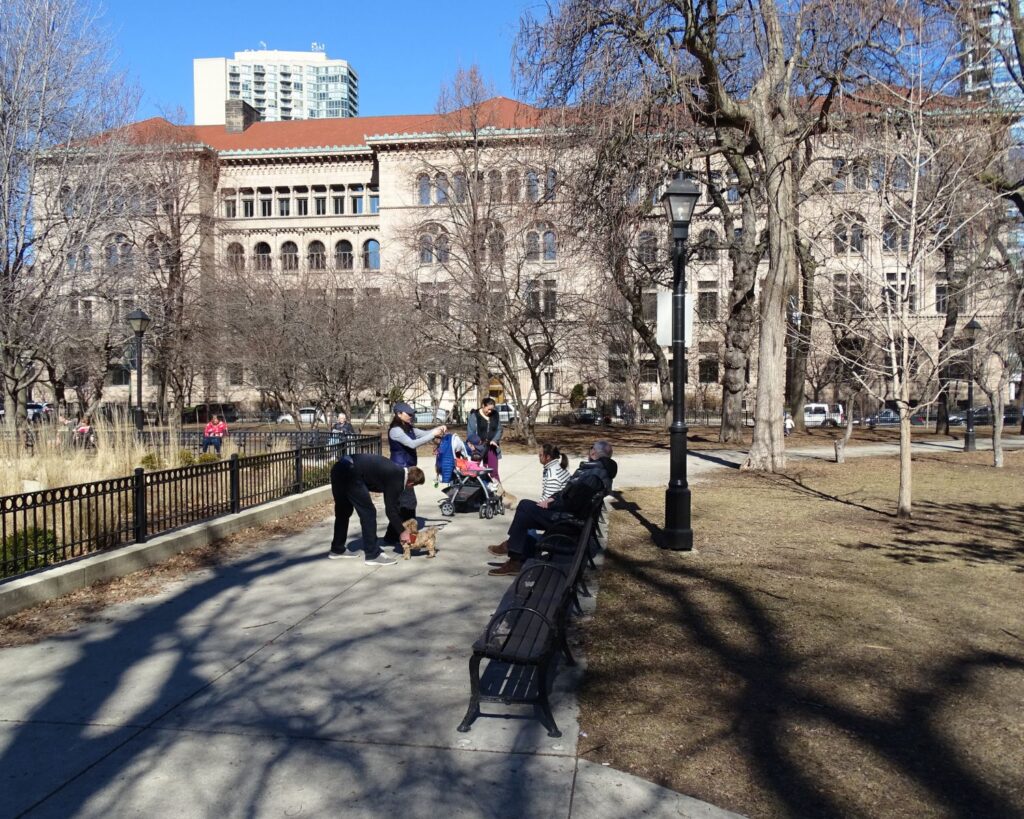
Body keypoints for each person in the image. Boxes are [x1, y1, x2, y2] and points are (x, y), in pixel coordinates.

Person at [488, 440, 617, 576]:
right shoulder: (598, 471)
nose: (589, 451)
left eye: (591, 448)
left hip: (569, 522)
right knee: (525, 509)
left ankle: (513, 551)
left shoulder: (593, 475)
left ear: (594, 453)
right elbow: (569, 492)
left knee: (525, 507)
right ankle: (514, 554)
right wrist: (553, 498)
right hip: (572, 517)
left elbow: (573, 503)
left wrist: (553, 504)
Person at [327, 453, 425, 566]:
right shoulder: (397, 478)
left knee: (343, 511)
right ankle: (373, 555)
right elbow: (390, 510)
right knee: (368, 513)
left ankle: (337, 549)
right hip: (351, 473)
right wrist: (402, 532)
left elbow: (391, 502)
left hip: (339, 468)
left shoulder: (395, 470)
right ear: (411, 483)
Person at [386, 402, 445, 541]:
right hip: (399, 470)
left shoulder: (409, 427)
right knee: (408, 504)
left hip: (409, 470)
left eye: (412, 413)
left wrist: (438, 429)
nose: (411, 416)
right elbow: (412, 443)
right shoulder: (395, 430)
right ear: (399, 414)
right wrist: (433, 435)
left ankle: (392, 536)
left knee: (403, 505)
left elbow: (424, 434)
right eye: (409, 414)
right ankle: (408, 534)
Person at [466, 397, 502, 480]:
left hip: (492, 447)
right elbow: (470, 433)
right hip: (478, 447)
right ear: (483, 406)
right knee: (475, 471)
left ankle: (497, 490)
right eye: (488, 409)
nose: (490, 411)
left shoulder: (495, 415)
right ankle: (476, 488)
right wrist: (477, 442)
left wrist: (494, 440)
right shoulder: (474, 416)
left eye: (492, 410)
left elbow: (499, 429)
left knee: (493, 471)